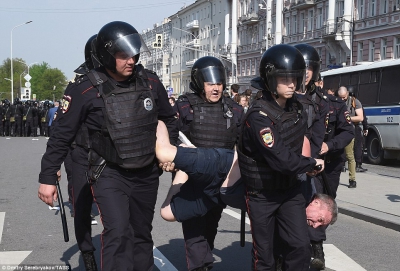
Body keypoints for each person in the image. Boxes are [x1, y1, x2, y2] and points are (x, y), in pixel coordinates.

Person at [37, 21, 178, 271]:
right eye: (123, 55)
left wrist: (166, 150)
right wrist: (48, 176)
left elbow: (168, 118)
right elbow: (62, 134)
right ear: (106, 55)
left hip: (146, 173)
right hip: (108, 172)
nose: (131, 60)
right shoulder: (85, 89)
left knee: (141, 233)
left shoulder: (151, 83)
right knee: (118, 231)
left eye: (133, 54)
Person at [155, 120, 337, 229]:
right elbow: (298, 148)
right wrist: (310, 163)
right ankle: (155, 119)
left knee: (167, 213)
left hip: (216, 195)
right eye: (320, 220)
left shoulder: (294, 212)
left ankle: (183, 171)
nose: (316, 225)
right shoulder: (304, 186)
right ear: (317, 202)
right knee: (163, 152)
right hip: (222, 166)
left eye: (320, 225)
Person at [238, 44, 325, 271]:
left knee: (299, 246)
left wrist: (311, 158)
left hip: (290, 191)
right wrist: (310, 164)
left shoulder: (296, 106)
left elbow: (306, 138)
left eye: (294, 78)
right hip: (262, 195)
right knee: (264, 257)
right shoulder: (258, 116)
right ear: (270, 80)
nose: (292, 84)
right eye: (284, 78)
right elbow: (281, 158)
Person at [174, 56, 243, 271]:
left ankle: (204, 259)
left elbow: (243, 143)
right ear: (199, 83)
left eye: (219, 83)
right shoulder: (185, 106)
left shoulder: (234, 109)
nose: (216, 88)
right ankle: (200, 266)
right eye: (210, 84)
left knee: (211, 224)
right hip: (191, 177)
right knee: (194, 224)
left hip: (220, 177)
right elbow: (169, 134)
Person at [294, 44, 354, 270]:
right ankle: (305, 247)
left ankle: (316, 246)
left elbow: (348, 132)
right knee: (304, 203)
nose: (305, 72)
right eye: (302, 67)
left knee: (322, 206)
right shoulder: (288, 99)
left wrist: (329, 145)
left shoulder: (330, 103)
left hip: (328, 165)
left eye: (310, 68)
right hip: (301, 164)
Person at [338, 86, 364, 188]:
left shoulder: (355, 102)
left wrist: (348, 118)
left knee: (349, 156)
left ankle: (352, 180)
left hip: (349, 132)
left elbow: (360, 117)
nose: (342, 99)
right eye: (340, 97)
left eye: (344, 97)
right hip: (338, 133)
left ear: (347, 93)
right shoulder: (336, 101)